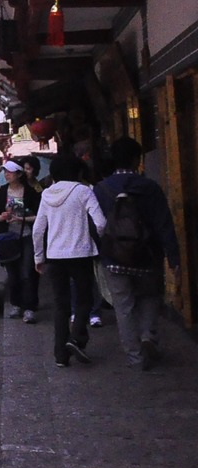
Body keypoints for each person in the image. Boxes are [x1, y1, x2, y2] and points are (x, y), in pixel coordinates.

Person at [95, 137, 181, 371]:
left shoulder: (102, 189)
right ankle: (147, 336)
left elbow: (98, 225)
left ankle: (135, 356)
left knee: (123, 306)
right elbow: (164, 223)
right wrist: (174, 258)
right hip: (148, 255)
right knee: (150, 299)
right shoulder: (150, 187)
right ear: (137, 159)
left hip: (114, 258)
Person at [32, 155, 106, 368]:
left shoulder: (46, 194)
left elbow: (38, 229)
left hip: (55, 256)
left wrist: (39, 257)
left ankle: (60, 355)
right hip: (81, 255)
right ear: (78, 172)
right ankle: (76, 339)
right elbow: (100, 223)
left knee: (60, 305)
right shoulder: (84, 191)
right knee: (84, 300)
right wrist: (96, 240)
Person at [0, 160, 41, 323]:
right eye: (5, 171)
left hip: (26, 236)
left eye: (10, 172)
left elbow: (40, 216)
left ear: (19, 174)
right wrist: (2, 217)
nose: (7, 174)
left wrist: (22, 218)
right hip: (8, 239)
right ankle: (16, 304)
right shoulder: (1, 193)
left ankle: (29, 307)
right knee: (12, 274)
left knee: (27, 272)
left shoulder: (31, 193)